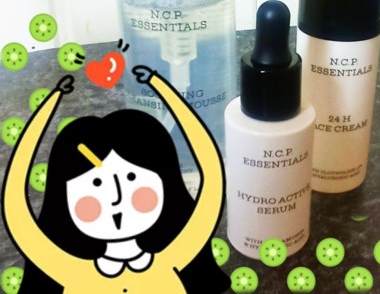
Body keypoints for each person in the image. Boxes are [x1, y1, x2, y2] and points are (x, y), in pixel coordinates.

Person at [2, 66, 230, 293]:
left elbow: (211, 178)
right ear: (64, 201)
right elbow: (17, 213)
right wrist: (48, 106)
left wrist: (161, 87)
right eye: (96, 185)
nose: (116, 199)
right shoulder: (67, 270)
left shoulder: (176, 254)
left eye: (132, 178)